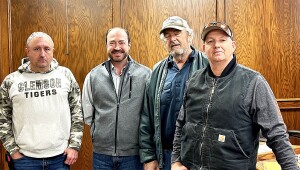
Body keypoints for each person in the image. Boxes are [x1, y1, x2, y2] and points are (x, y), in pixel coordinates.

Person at [171, 22, 299, 170]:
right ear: (203, 48)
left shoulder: (253, 82)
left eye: (222, 40)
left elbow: (277, 135)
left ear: (233, 45)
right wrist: (175, 161)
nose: (216, 45)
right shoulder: (194, 80)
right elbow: (181, 124)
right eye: (210, 41)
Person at [0, 32, 84, 170]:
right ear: (27, 51)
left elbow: (77, 113)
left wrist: (74, 146)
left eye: (47, 48)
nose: (42, 54)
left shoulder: (65, 75)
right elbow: (3, 118)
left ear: (53, 51)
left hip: (60, 157)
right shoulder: (11, 81)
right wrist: (13, 151)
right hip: (24, 159)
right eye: (37, 49)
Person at [139, 16, 208, 170]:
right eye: (168, 36)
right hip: (164, 155)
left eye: (177, 33)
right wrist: (149, 157)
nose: (172, 39)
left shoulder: (207, 64)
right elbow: (147, 116)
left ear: (189, 35)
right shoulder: (157, 71)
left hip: (197, 156)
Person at [82, 27, 151, 170]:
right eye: (112, 43)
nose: (117, 47)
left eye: (122, 42)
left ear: (129, 45)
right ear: (106, 45)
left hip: (134, 156)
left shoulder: (145, 75)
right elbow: (88, 114)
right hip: (102, 155)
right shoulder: (93, 76)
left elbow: (150, 114)